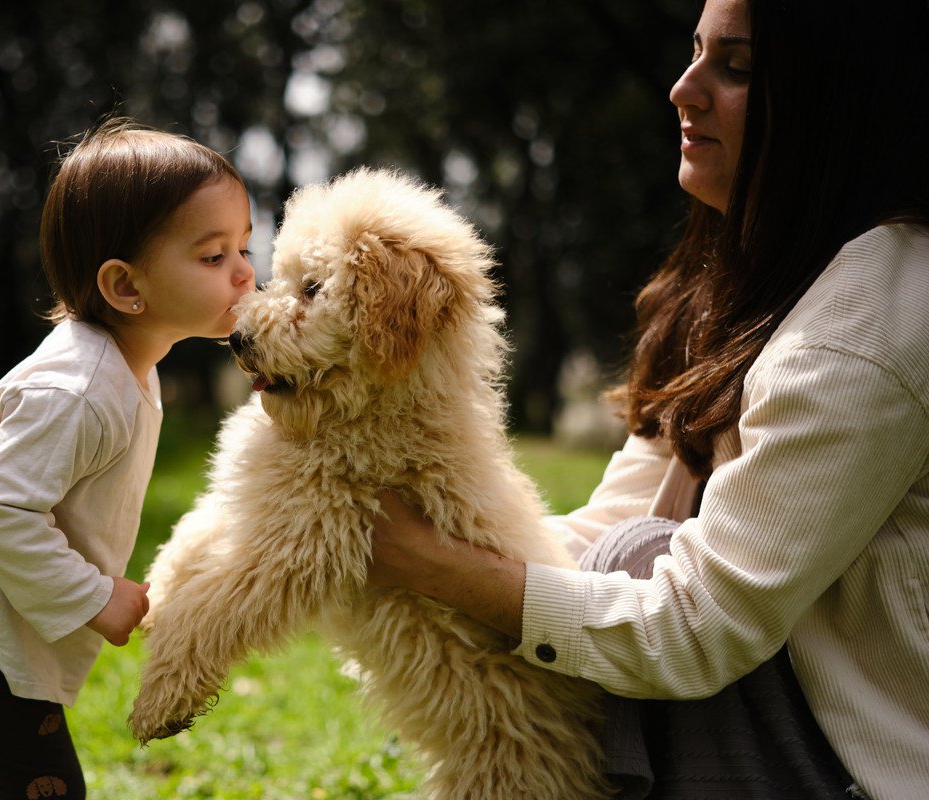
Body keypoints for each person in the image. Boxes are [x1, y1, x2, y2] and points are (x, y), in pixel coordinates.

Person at [368, 0, 929, 798]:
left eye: (734, 69)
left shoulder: (871, 317)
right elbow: (608, 523)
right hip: (770, 726)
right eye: (694, 52)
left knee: (634, 565)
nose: (682, 90)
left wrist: (433, 563)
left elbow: (696, 629)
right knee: (621, 553)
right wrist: (435, 527)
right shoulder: (747, 278)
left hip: (852, 770)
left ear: (835, 101)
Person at [0, 119, 255, 799]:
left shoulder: (130, 367)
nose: (246, 271)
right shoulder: (78, 389)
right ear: (127, 287)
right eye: (213, 256)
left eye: (244, 247)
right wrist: (95, 595)